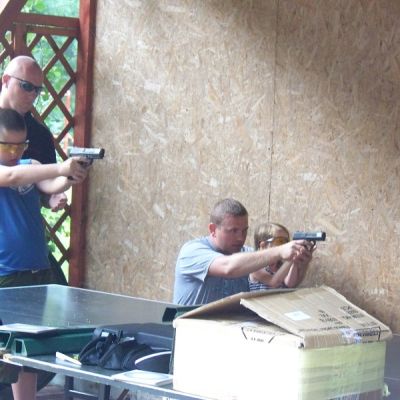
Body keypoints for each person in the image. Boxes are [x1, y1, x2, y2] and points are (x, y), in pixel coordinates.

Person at [0, 108, 89, 399]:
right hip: (6, 274)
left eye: (21, 146)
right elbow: (12, 175)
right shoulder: (11, 170)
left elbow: (51, 184)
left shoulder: (31, 164)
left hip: (36, 270)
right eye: (8, 147)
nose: (15, 153)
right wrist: (61, 168)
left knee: (28, 350)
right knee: (7, 352)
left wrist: (71, 176)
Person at [173, 198, 313, 305]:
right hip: (191, 330)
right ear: (213, 229)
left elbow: (280, 283)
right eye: (233, 231)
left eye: (244, 231)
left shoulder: (246, 253)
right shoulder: (192, 251)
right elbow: (228, 267)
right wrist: (280, 250)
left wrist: (299, 261)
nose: (240, 237)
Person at [249, 222, 313, 291]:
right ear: (263, 246)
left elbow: (290, 284)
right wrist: (291, 258)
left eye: (286, 242)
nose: (285, 245)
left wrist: (298, 259)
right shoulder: (255, 268)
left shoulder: (281, 265)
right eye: (280, 241)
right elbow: (274, 282)